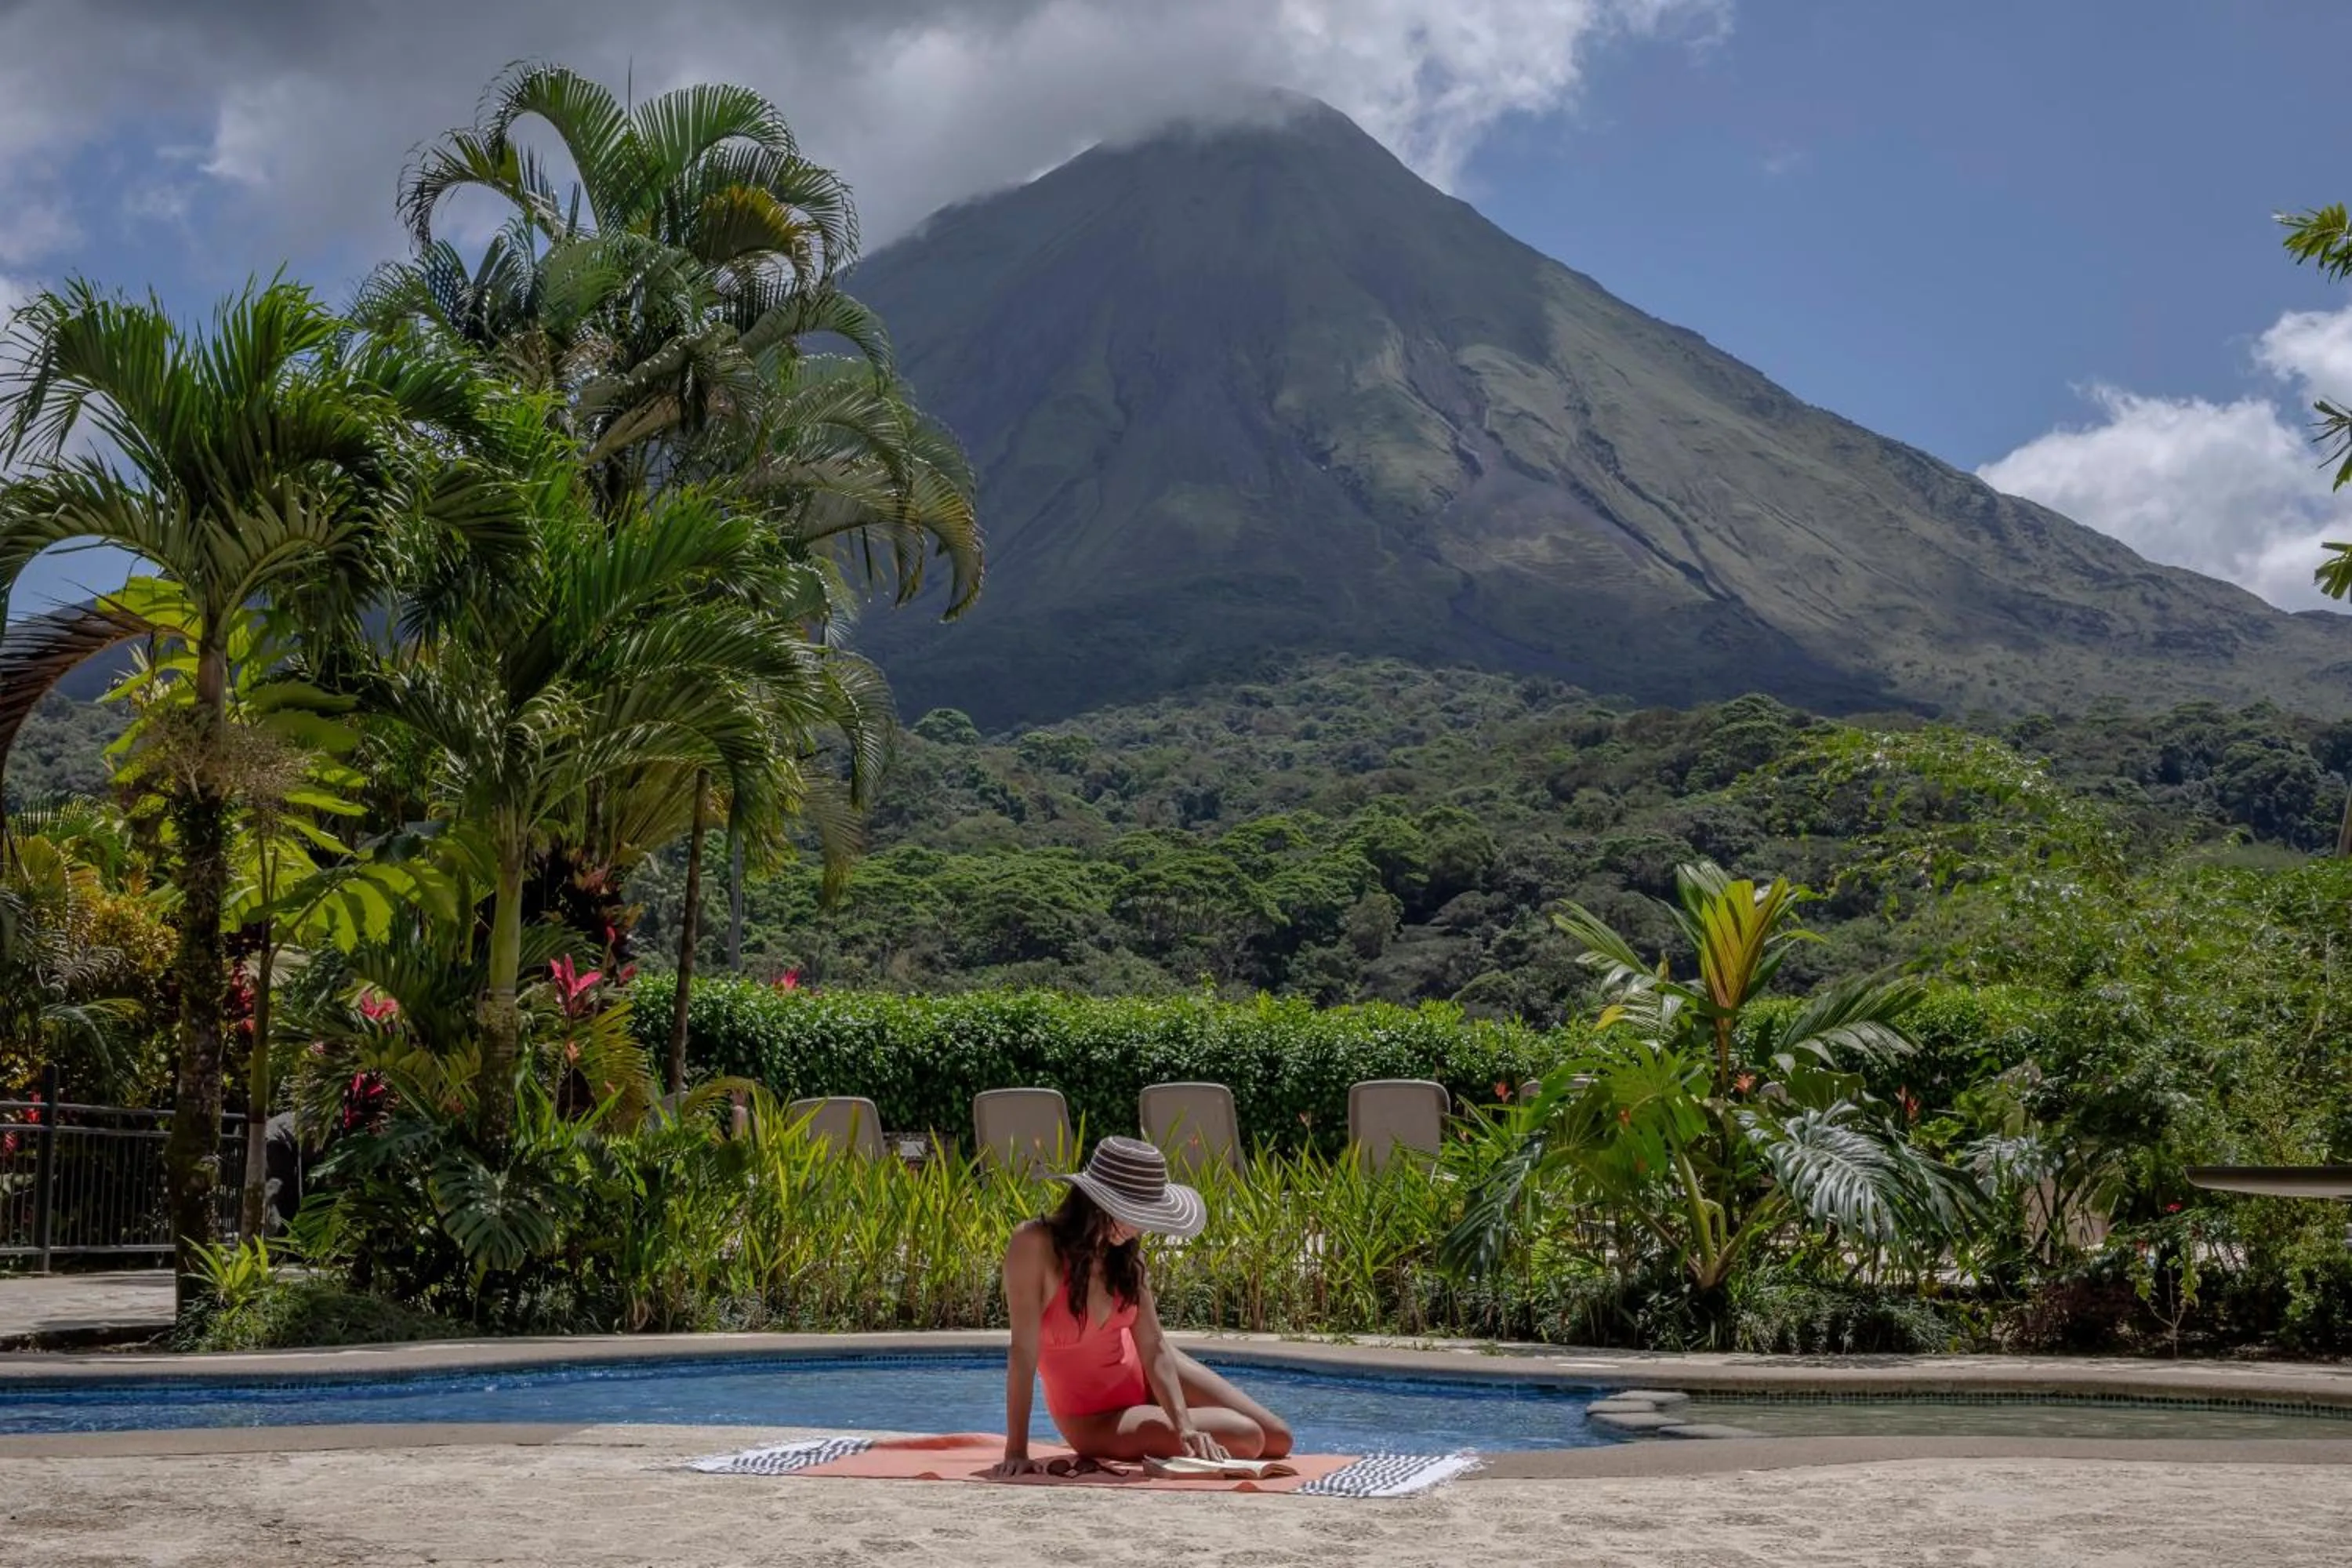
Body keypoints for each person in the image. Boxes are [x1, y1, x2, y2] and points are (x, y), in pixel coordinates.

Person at [989, 1136, 1292, 1478]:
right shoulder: (1034, 1245)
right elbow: (1022, 1353)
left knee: (1279, 1438)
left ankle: (1160, 1422)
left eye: (1144, 1215)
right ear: (1096, 1201)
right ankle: (1154, 1426)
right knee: (1247, 1437)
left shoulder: (1125, 1254)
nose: (1137, 1227)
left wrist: (1183, 1425)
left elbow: (1153, 1346)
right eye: (1131, 1213)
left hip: (1146, 1373)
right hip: (1096, 1417)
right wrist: (1016, 1450)